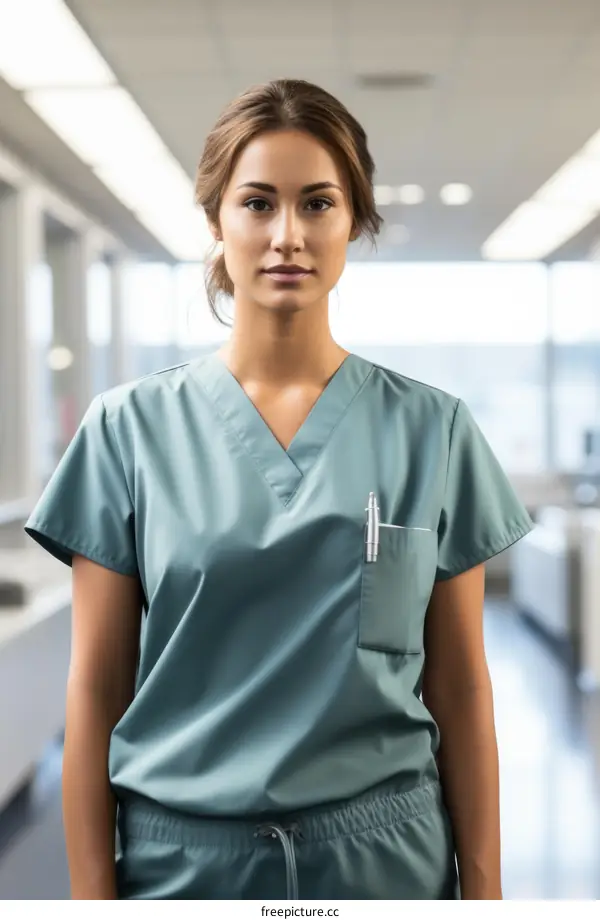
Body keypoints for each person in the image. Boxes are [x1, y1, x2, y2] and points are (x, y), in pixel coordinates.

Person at [25, 78, 533, 900]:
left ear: (354, 222)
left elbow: (462, 687)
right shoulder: (128, 431)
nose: (287, 235)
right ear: (217, 221)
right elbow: (95, 690)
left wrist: (484, 894)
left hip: (384, 865)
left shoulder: (431, 431)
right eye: (257, 204)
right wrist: (92, 901)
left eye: (318, 204)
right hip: (185, 869)